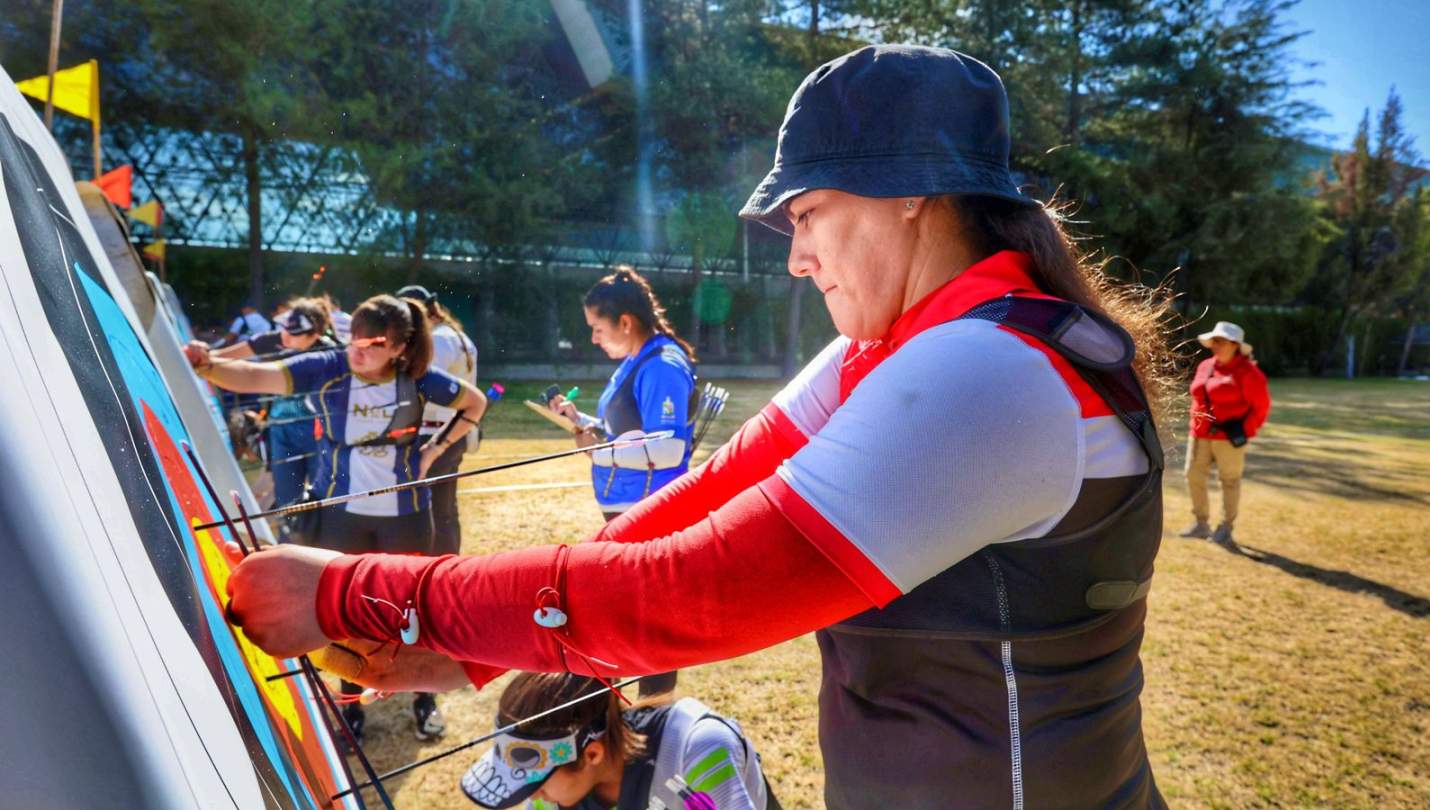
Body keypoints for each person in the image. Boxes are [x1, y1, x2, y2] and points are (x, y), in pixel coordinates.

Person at [226, 45, 1174, 808]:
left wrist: (363, 594)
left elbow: (694, 590)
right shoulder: (905, 346)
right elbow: (697, 505)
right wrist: (470, 645)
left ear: (909, 192)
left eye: (807, 213)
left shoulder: (990, 368)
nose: (799, 257)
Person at [187, 293, 488, 744]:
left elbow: (475, 404)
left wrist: (435, 451)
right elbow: (258, 374)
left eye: (373, 344)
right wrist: (207, 365)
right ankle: (351, 709)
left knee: (412, 613)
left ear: (400, 349)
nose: (358, 351)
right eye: (355, 340)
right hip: (341, 517)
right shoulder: (330, 366)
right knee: (344, 615)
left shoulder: (421, 378)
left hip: (406, 518)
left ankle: (425, 700)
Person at [547, 267, 696, 697]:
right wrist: (581, 423)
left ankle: (653, 710)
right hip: (628, 508)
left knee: (650, 620)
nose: (593, 338)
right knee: (623, 615)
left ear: (625, 322)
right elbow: (629, 433)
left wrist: (599, 451)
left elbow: (668, 448)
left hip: (650, 510)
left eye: (597, 328)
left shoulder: (663, 364)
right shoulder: (637, 359)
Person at [458, 673, 773, 810]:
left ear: (591, 754)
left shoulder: (698, 750)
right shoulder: (550, 797)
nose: (534, 796)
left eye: (536, 784)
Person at [208, 298, 336, 512]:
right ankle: (289, 537)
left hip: (319, 433)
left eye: (295, 333)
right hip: (280, 429)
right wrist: (201, 356)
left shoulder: (330, 352)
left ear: (314, 335)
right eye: (286, 328)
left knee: (323, 497)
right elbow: (219, 358)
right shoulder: (275, 339)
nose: (286, 335)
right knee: (287, 498)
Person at [397, 284, 480, 555]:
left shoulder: (441, 339)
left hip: (438, 432)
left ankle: (441, 567)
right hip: (454, 431)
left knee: (435, 509)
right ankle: (449, 564)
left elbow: (427, 385)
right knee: (445, 508)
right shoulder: (455, 335)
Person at [1179, 321, 1271, 546]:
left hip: (1228, 439)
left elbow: (1261, 407)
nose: (1214, 345)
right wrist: (1195, 422)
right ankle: (1201, 524)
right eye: (1213, 341)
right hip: (1200, 434)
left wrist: (1242, 432)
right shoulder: (1205, 366)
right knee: (1193, 475)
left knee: (1229, 481)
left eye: (1219, 341)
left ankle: (1225, 528)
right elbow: (1197, 397)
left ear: (1234, 345)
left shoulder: (1249, 373)